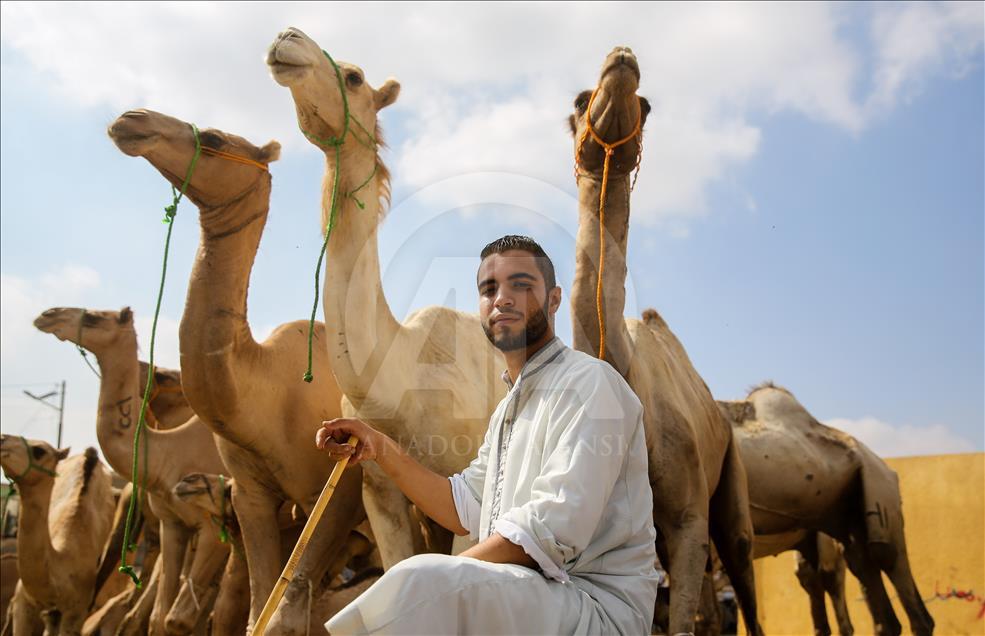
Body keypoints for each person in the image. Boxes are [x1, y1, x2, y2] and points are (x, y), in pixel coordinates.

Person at [317, 235, 658, 635]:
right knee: (423, 581)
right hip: (536, 597)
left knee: (420, 581)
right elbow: (464, 506)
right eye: (489, 289)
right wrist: (381, 447)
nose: (502, 299)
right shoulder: (507, 412)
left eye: (521, 284)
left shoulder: (589, 383)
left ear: (553, 299)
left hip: (593, 607)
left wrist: (442, 580)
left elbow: (546, 535)